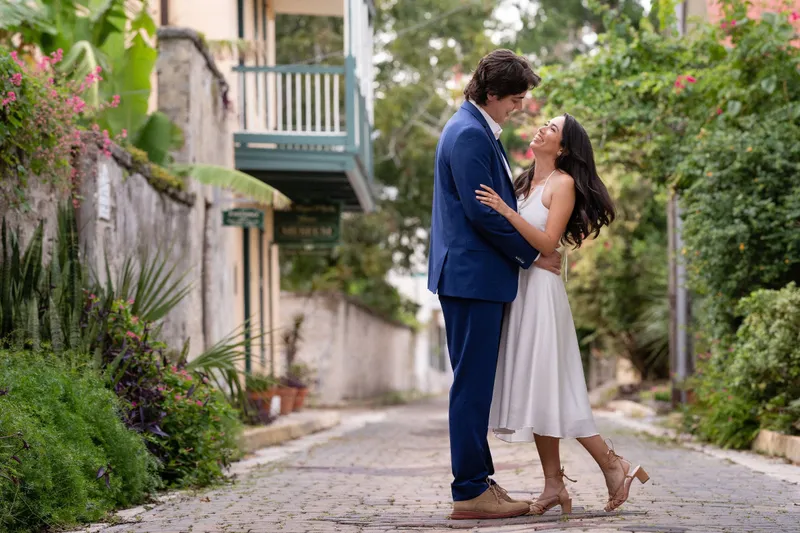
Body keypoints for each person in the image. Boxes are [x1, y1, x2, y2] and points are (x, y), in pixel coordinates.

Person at [476, 113, 650, 516]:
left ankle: (613, 463)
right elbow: (529, 249)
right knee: (538, 391)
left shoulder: (562, 184)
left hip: (542, 298)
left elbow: (548, 240)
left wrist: (505, 210)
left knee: (553, 388)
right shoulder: (522, 182)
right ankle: (554, 484)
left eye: (552, 129)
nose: (542, 129)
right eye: (545, 124)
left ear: (564, 148)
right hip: (520, 293)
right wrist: (526, 247)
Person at [427, 49, 563, 520]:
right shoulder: (467, 134)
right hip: (470, 278)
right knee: (471, 386)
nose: (521, 106)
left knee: (477, 385)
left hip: (478, 278)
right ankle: (468, 491)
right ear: (491, 94)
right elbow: (481, 211)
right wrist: (534, 253)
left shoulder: (479, 130)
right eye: (516, 98)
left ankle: (480, 482)